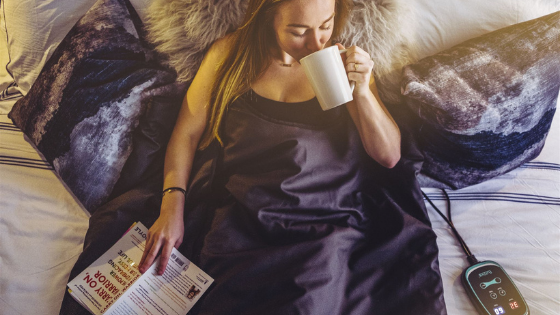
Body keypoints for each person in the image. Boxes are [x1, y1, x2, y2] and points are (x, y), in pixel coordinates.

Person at [139, 0, 400, 276]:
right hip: (244, 220)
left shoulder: (341, 64)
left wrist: (361, 92)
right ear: (267, 19)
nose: (316, 44)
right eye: (298, 32)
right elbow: (187, 134)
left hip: (324, 219)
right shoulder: (229, 55)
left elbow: (389, 156)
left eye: (326, 25)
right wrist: (171, 206)